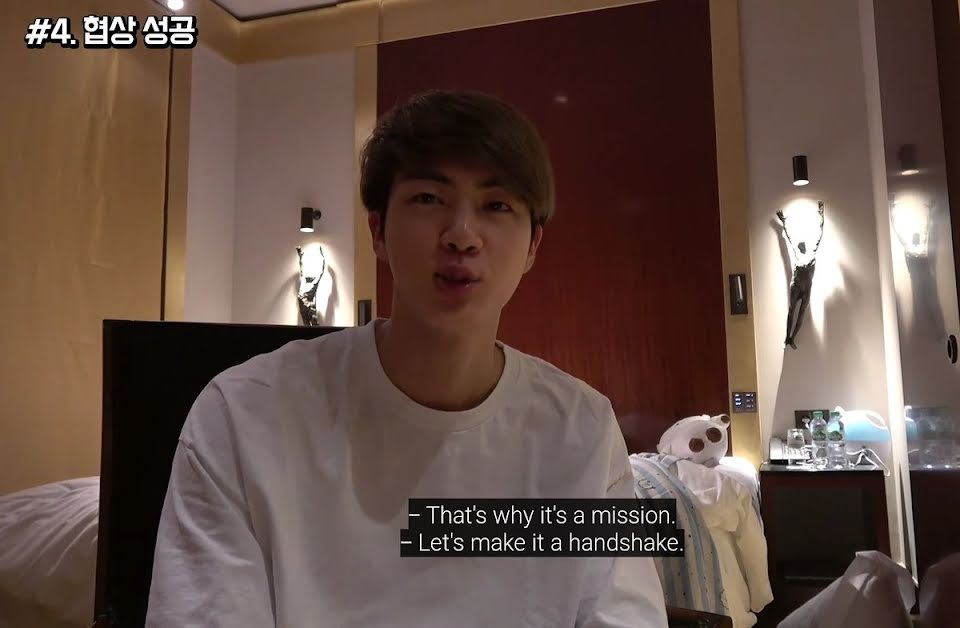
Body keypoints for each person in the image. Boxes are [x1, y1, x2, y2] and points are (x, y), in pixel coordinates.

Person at [146, 89, 668, 627]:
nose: (462, 236)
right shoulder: (243, 414)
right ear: (378, 231)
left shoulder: (582, 429)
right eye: (428, 199)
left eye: (496, 206)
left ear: (533, 245)